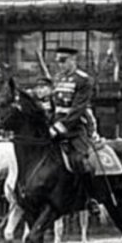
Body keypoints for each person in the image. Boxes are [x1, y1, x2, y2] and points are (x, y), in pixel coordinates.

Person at [49, 46, 100, 215]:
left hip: (75, 129)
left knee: (81, 161)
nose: (60, 65)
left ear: (73, 60)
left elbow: (78, 110)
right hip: (55, 127)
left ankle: (90, 197)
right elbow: (53, 106)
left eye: (63, 61)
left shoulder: (84, 80)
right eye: (58, 61)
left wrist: (59, 128)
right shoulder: (57, 79)